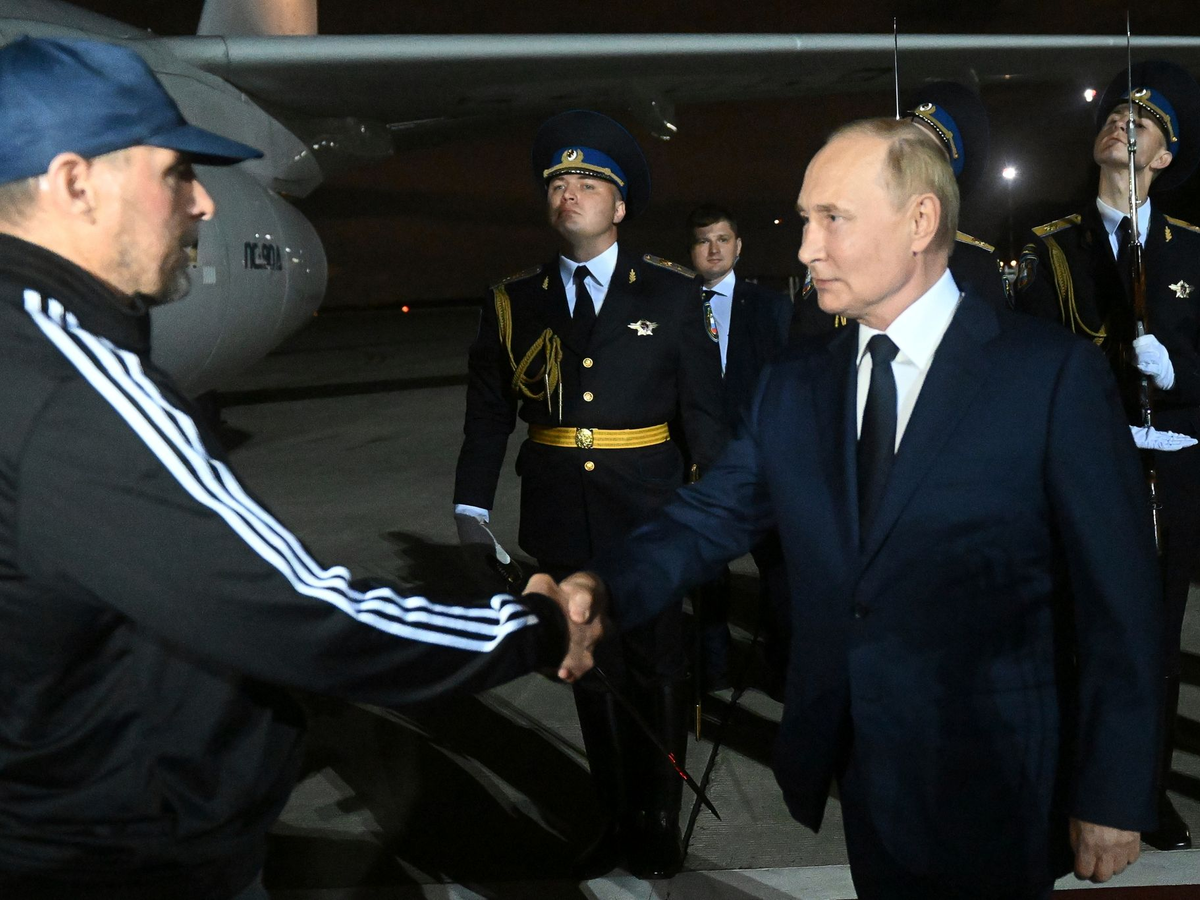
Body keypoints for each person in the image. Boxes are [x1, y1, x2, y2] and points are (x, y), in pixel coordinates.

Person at [0, 37, 599, 900]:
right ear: (75, 183)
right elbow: (301, 612)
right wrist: (529, 627)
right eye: (175, 172)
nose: (204, 201)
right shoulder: (75, 388)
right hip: (124, 861)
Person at [556, 117, 1164, 899]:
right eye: (805, 221)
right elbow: (709, 516)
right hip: (864, 773)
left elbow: (1121, 600)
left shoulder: (1048, 378)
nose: (807, 249)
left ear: (920, 221)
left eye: (832, 219)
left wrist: (1113, 788)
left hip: (999, 781)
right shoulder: (797, 384)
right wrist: (601, 589)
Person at [452, 110, 727, 877]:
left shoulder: (672, 294)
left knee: (658, 665)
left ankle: (658, 818)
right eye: (558, 183)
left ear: (621, 205)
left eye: (589, 182)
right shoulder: (515, 300)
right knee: (590, 668)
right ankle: (613, 815)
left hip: (649, 511)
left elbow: (705, 420)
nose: (569, 192)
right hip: (560, 516)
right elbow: (488, 416)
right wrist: (470, 509)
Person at [1015, 59, 1200, 852]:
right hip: (1086, 464)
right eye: (1118, 114)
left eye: (1145, 122)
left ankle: (1144, 791)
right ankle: (1073, 786)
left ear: (1166, 155)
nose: (1125, 124)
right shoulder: (1052, 244)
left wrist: (1179, 372)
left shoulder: (1194, 250)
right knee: (1075, 627)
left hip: (1173, 464)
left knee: (1154, 637)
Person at [792, 81, 1010, 339]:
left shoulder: (975, 267)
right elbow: (808, 339)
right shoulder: (836, 252)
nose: (807, 253)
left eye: (923, 157)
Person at [686, 204, 791, 695]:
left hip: (762, 464)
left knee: (779, 571)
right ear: (691, 250)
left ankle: (783, 668)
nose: (714, 250)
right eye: (703, 241)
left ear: (738, 246)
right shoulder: (673, 307)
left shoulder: (770, 306)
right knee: (707, 574)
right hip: (698, 463)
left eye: (723, 239)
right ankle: (714, 670)